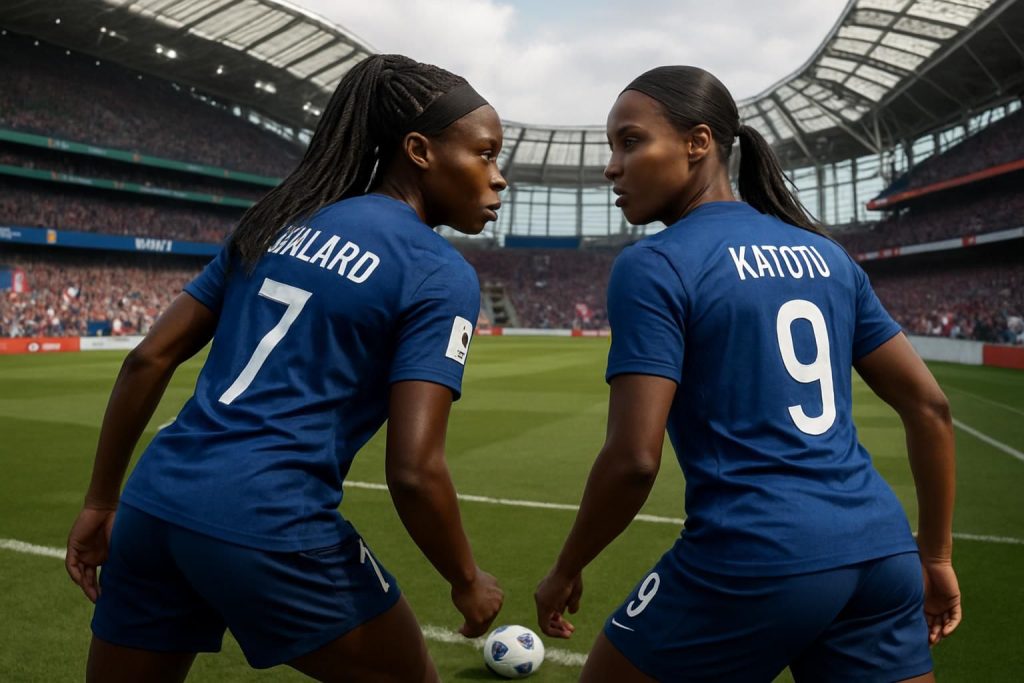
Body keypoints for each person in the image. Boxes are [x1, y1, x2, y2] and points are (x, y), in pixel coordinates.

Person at [65, 54, 507, 682]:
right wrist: (467, 579)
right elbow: (413, 470)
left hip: (154, 502)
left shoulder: (278, 218)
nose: (499, 177)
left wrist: (101, 500)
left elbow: (148, 358)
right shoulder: (438, 272)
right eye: (485, 154)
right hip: (270, 519)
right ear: (419, 150)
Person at [534, 66, 961, 682]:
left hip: (755, 553)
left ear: (698, 142)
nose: (611, 166)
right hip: (882, 552)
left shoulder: (655, 264)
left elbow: (634, 459)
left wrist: (566, 568)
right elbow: (931, 407)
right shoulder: (827, 255)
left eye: (630, 141)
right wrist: (938, 555)